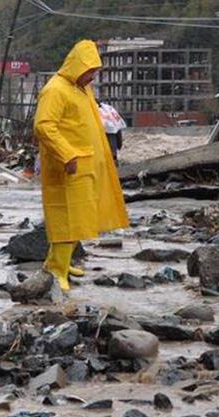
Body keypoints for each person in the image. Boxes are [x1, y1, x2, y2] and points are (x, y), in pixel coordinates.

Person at [33, 40, 129, 292]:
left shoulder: (81, 88)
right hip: (68, 166)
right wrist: (67, 155)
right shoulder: (55, 90)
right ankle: (56, 270)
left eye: (95, 71)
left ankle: (59, 262)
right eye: (90, 71)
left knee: (80, 217)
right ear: (77, 66)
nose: (93, 76)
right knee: (66, 217)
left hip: (86, 163)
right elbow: (44, 126)